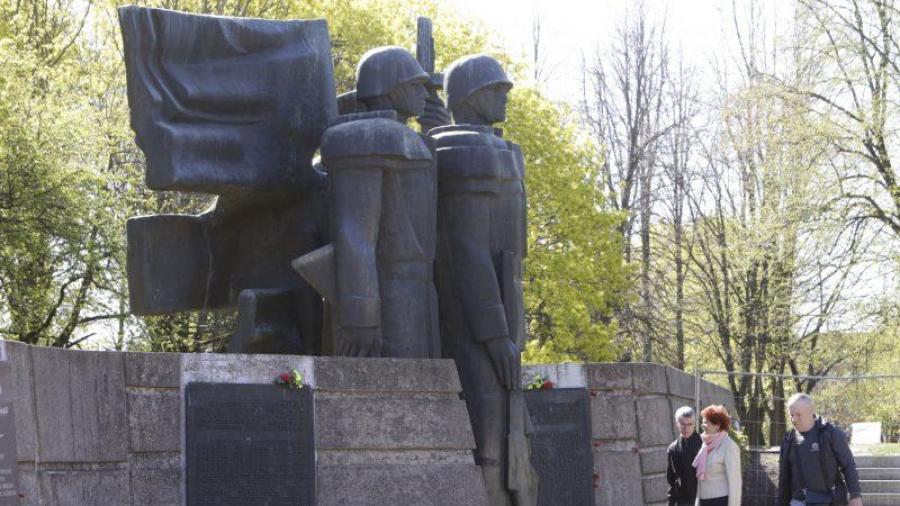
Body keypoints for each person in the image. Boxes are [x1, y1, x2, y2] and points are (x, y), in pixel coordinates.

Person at [430, 54, 537, 505]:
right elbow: (468, 251)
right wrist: (495, 335)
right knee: (489, 434)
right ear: (471, 97)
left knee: (509, 433)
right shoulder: (467, 152)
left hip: (502, 311)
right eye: (496, 90)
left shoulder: (498, 148)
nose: (504, 98)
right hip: (478, 322)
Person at [776, 393, 863, 506]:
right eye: (791, 415)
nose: (794, 419)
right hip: (798, 501)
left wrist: (855, 495)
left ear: (811, 412)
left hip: (830, 500)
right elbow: (784, 478)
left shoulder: (831, 433)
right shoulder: (788, 440)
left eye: (798, 415)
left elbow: (848, 465)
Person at [693, 404, 742, 506]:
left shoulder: (728, 446)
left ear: (717, 425)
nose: (702, 425)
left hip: (720, 501)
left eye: (706, 422)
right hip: (703, 500)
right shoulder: (705, 444)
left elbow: (735, 481)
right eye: (702, 422)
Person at [668, 406, 702, 506]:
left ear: (694, 424)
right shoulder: (673, 449)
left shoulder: (704, 445)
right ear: (677, 424)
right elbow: (672, 480)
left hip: (703, 499)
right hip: (682, 501)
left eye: (689, 424)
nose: (686, 428)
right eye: (683, 424)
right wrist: (670, 503)